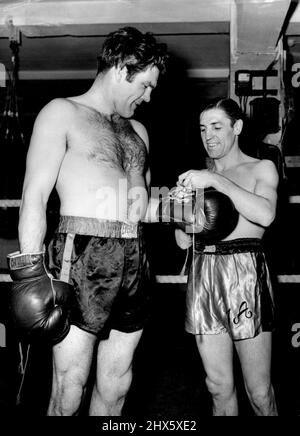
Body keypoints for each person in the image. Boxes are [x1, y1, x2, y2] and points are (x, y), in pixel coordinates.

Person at [8, 26, 168, 416]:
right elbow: (35, 195)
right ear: (119, 67)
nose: (148, 97)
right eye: (145, 85)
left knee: (117, 385)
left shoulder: (139, 133)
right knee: (70, 387)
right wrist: (31, 272)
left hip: (135, 255)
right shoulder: (62, 112)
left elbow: (141, 208)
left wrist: (185, 209)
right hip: (82, 254)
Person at [175, 98, 279, 416]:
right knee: (218, 387)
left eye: (217, 126)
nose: (209, 135)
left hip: (246, 271)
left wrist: (217, 181)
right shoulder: (196, 178)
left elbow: (265, 215)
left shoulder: (261, 167)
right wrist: (179, 207)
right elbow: (182, 242)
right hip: (204, 271)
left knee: (259, 393)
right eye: (203, 128)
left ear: (237, 127)